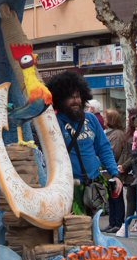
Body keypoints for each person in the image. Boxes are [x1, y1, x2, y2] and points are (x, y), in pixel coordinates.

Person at [44, 72, 124, 216]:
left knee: (90, 230)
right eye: (70, 97)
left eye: (78, 96)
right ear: (60, 99)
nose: (75, 100)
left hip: (92, 186)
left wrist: (115, 174)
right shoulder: (54, 122)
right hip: (67, 187)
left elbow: (104, 148)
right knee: (74, 232)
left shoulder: (91, 119)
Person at [103, 109, 128, 233]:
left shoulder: (117, 134)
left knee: (116, 198)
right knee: (111, 199)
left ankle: (118, 223)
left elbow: (115, 152)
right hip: (106, 173)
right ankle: (112, 222)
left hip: (113, 171)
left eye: (106, 117)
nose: (104, 120)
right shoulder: (108, 133)